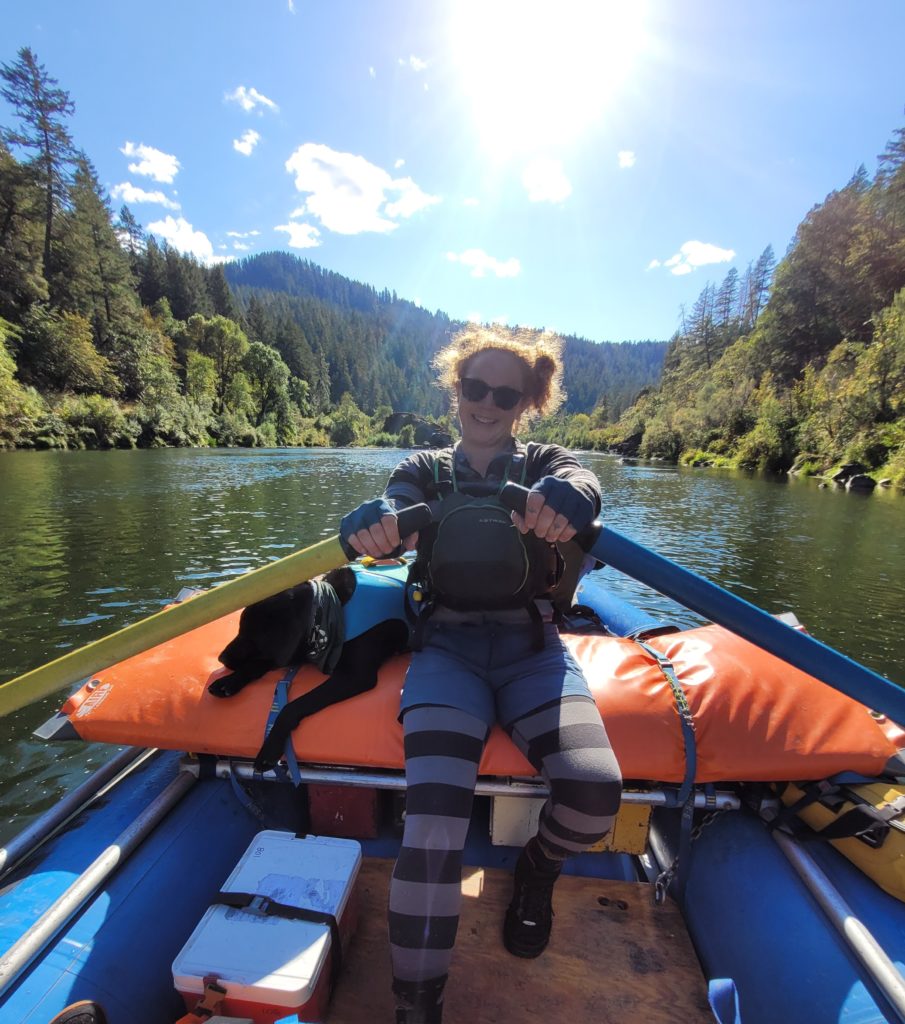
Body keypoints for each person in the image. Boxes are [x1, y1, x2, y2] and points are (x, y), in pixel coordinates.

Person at [340, 325, 623, 1024]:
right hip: (446, 652)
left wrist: (571, 495)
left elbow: (581, 482)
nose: (487, 403)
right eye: (475, 388)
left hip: (533, 651)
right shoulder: (424, 468)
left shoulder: (548, 463)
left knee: (593, 797)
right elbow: (393, 507)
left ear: (527, 401)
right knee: (431, 824)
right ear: (455, 390)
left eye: (506, 392)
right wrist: (376, 521)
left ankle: (537, 868)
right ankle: (416, 1007)